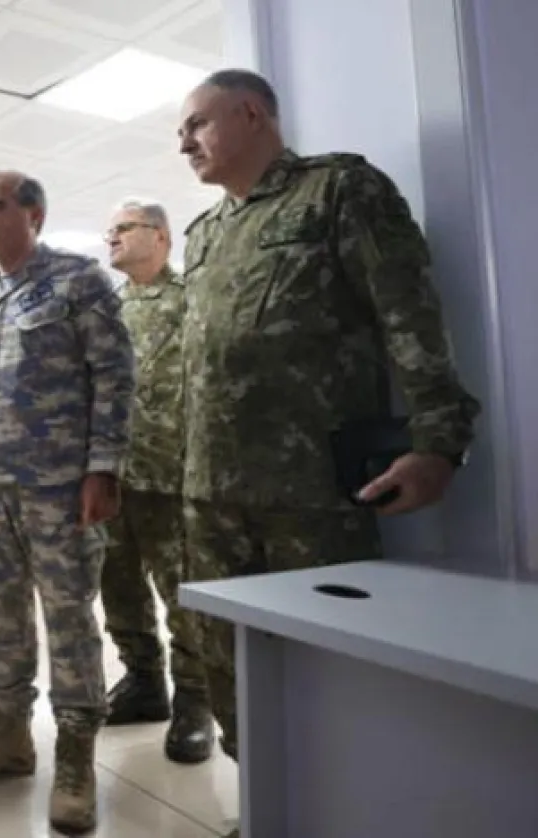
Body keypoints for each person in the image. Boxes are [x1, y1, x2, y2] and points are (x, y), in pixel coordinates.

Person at [176, 69, 481, 836]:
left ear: (251, 114)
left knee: (327, 674)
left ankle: (336, 816)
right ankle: (271, 807)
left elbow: (407, 314)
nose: (183, 142)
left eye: (196, 124)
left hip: (309, 492)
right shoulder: (204, 233)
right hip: (210, 491)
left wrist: (440, 439)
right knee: (228, 669)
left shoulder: (338, 191)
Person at [0, 171, 133, 836]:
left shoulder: (80, 282)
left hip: (58, 487)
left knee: (69, 617)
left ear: (34, 214)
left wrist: (103, 466)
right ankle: (9, 733)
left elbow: (114, 375)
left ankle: (75, 753)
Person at [97, 199, 213, 764]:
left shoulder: (194, 300)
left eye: (122, 228)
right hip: (113, 479)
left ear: (160, 236)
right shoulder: (107, 311)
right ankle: (144, 681)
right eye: (109, 230)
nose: (110, 237)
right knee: (117, 586)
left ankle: (196, 698)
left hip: (172, 478)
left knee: (181, 594)